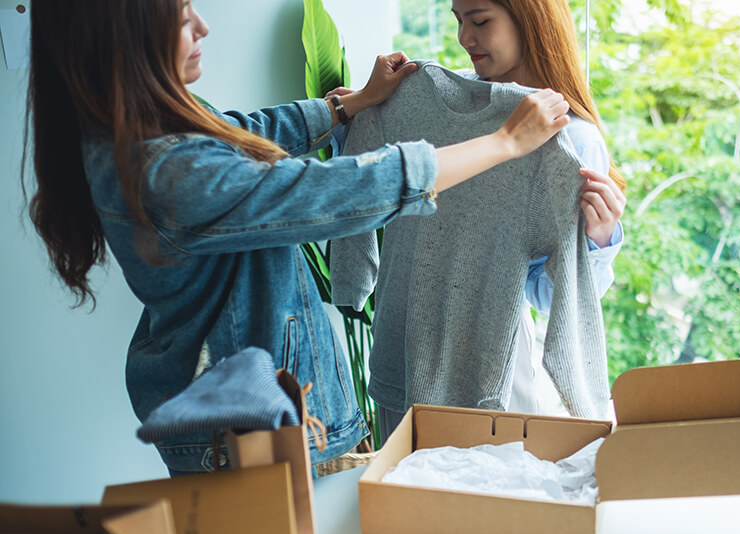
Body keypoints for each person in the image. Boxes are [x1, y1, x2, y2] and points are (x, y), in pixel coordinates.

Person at [24, 0, 571, 475]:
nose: (202, 26)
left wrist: (347, 105)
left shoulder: (136, 127)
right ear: (118, 40)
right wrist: (502, 142)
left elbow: (240, 133)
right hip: (260, 441)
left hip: (256, 424)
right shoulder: (166, 170)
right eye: (179, 16)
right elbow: (334, 192)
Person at [451, 0, 627, 417]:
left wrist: (598, 241)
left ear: (529, 20)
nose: (464, 38)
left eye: (479, 21)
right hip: (417, 350)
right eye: (458, 21)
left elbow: (548, 297)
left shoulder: (573, 142)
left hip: (502, 373)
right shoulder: (454, 108)